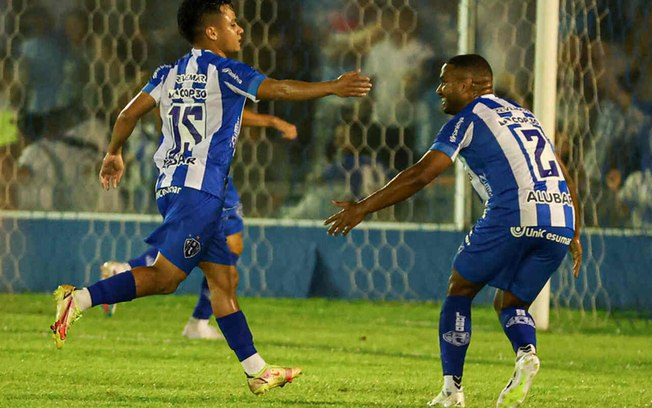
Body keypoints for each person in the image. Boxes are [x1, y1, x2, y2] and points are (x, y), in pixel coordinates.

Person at [49, 0, 371, 396]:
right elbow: (277, 89)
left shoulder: (167, 73)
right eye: (233, 23)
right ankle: (78, 300)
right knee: (167, 279)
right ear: (212, 31)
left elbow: (127, 115)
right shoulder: (225, 70)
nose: (241, 29)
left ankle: (257, 371)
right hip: (199, 191)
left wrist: (113, 152)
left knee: (224, 280)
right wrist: (333, 87)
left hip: (173, 187)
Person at [324, 54, 582, 407]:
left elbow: (421, 174)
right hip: (559, 219)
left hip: (513, 213)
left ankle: (452, 391)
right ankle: (526, 353)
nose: (438, 90)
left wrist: (363, 207)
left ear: (467, 85)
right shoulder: (525, 116)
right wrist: (575, 233)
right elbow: (564, 174)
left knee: (460, 290)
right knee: (511, 302)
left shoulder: (468, 118)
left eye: (445, 82)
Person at [100, 109, 298, 340]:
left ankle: (196, 320)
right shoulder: (213, 76)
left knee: (212, 241)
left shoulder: (173, 78)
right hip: (204, 171)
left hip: (180, 165)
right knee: (219, 246)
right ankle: (196, 321)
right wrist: (272, 120)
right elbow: (228, 110)